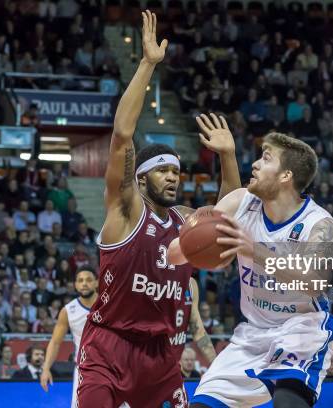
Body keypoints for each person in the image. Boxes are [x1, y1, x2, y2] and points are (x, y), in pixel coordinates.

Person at [76, 11, 239, 408]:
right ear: (143, 178)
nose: (173, 177)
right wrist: (148, 63)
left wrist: (228, 157)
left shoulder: (185, 221)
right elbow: (121, 136)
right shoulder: (126, 210)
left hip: (162, 356)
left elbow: (229, 213)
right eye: (163, 171)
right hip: (110, 346)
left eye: (177, 171)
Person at [170, 133, 333, 407]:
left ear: (286, 176)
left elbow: (315, 283)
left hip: (301, 329)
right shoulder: (241, 200)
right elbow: (174, 254)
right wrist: (194, 239)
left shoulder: (318, 223)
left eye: (266, 158)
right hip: (252, 334)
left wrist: (255, 251)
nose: (256, 164)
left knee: (288, 402)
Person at [40, 267, 98, 408]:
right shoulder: (68, 311)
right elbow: (55, 342)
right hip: (85, 369)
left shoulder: (111, 304)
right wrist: (46, 368)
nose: (84, 283)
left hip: (113, 367)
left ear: (97, 283)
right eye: (80, 280)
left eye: (89, 280)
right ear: (75, 285)